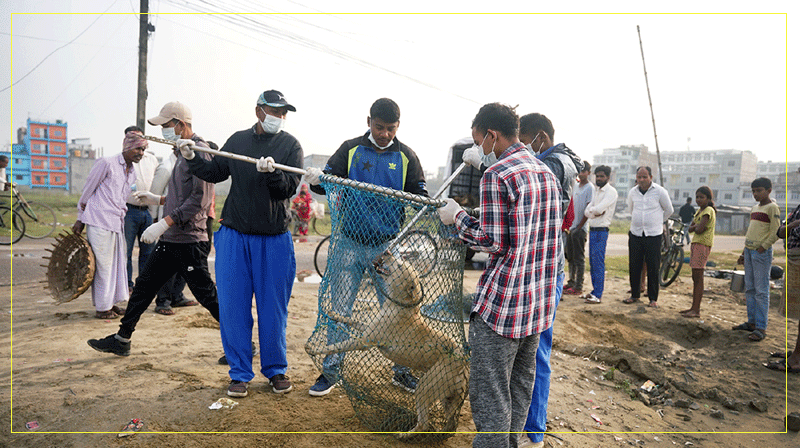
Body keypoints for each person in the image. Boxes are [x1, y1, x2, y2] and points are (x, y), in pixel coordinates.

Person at [439, 103, 560, 448]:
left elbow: (492, 241)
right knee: (519, 390)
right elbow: (525, 232)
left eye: (479, 141)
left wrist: (458, 217)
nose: (478, 149)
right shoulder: (544, 172)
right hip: (536, 309)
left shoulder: (497, 176)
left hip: (503, 309)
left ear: (491, 135)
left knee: (491, 396)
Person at [303, 97, 429, 397]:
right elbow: (325, 183)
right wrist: (316, 179)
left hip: (387, 247)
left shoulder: (406, 156)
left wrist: (423, 199)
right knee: (340, 310)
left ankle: (401, 371)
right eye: (379, 126)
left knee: (397, 312)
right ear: (368, 121)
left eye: (391, 128)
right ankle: (331, 371)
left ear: (398, 127)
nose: (384, 133)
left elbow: (419, 194)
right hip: (349, 242)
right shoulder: (350, 149)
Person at [185, 89, 302, 397]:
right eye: (273, 111)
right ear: (258, 111)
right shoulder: (238, 141)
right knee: (234, 307)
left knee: (272, 310)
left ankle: (276, 370)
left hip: (274, 239)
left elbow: (286, 190)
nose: (279, 117)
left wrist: (272, 173)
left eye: (283, 113)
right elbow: (214, 172)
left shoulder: (290, 146)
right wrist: (191, 157)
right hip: (235, 236)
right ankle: (239, 373)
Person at [87, 101, 220, 356]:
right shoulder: (181, 152)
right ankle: (122, 338)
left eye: (166, 126)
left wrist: (163, 222)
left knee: (208, 296)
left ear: (181, 125)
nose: (163, 132)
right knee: (144, 286)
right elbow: (180, 196)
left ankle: (244, 344)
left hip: (189, 240)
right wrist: (156, 199)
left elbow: (199, 201)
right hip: (172, 239)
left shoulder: (199, 152)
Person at [516, 112, 581, 448]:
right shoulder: (547, 159)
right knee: (521, 352)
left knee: (536, 353)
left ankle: (534, 432)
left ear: (539, 137)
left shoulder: (559, 162)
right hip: (531, 271)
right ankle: (519, 423)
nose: (519, 150)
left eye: (522, 142)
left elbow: (535, 174)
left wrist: (488, 160)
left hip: (545, 273)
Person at [72, 131, 143, 319]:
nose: (141, 152)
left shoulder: (132, 171)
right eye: (137, 148)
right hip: (98, 220)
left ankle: (111, 303)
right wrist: (80, 218)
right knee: (103, 266)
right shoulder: (106, 163)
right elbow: (88, 189)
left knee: (117, 264)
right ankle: (102, 308)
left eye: (143, 149)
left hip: (117, 222)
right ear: (127, 147)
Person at [732, 177, 780, 342]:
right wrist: (744, 252)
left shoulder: (772, 208)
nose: (755, 194)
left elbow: (775, 231)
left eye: (759, 190)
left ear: (768, 190)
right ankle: (751, 323)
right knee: (750, 289)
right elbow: (751, 233)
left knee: (761, 290)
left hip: (761, 253)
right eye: (753, 191)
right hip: (750, 251)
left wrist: (763, 247)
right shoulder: (754, 208)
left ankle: (761, 327)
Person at [623, 166, 673, 308]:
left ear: (651, 177)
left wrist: (656, 221)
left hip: (653, 235)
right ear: (636, 178)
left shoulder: (660, 191)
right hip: (636, 233)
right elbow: (630, 209)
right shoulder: (633, 192)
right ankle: (634, 294)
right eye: (639, 177)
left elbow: (669, 210)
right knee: (634, 265)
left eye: (645, 177)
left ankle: (653, 299)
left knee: (653, 266)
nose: (642, 180)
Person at [122, 126, 159, 295]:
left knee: (148, 251)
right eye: (133, 138)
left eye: (140, 138)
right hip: (128, 210)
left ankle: (143, 286)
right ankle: (127, 285)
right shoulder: (123, 160)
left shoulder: (152, 159)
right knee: (126, 250)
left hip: (147, 211)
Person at [767, 202, 800, 373]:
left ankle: (797, 358)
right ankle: (797, 352)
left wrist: (789, 227)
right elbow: (781, 231)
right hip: (795, 259)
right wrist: (791, 225)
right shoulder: (798, 208)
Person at [581, 165, 618, 304]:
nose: (599, 178)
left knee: (598, 263)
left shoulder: (611, 192)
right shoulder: (596, 191)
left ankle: (598, 294)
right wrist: (594, 212)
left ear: (608, 177)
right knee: (592, 262)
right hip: (593, 229)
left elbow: (599, 209)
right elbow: (588, 211)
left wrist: (594, 211)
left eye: (602, 176)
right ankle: (594, 291)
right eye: (597, 176)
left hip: (602, 231)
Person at [680, 187, 716, 318]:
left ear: (708, 198)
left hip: (703, 244)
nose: (698, 200)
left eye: (702, 197)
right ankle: (693, 307)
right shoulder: (699, 211)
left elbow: (699, 229)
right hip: (696, 244)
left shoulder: (708, 211)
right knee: (695, 277)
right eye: (697, 197)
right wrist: (695, 227)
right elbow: (690, 229)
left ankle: (696, 309)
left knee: (698, 277)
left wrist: (695, 227)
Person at [564, 162, 593, 295]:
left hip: (580, 229)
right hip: (571, 227)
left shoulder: (589, 188)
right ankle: (571, 281)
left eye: (584, 171)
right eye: (579, 171)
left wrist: (580, 226)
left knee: (579, 258)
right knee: (570, 256)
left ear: (588, 172)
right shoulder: (575, 185)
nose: (581, 174)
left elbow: (588, 209)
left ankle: (578, 286)